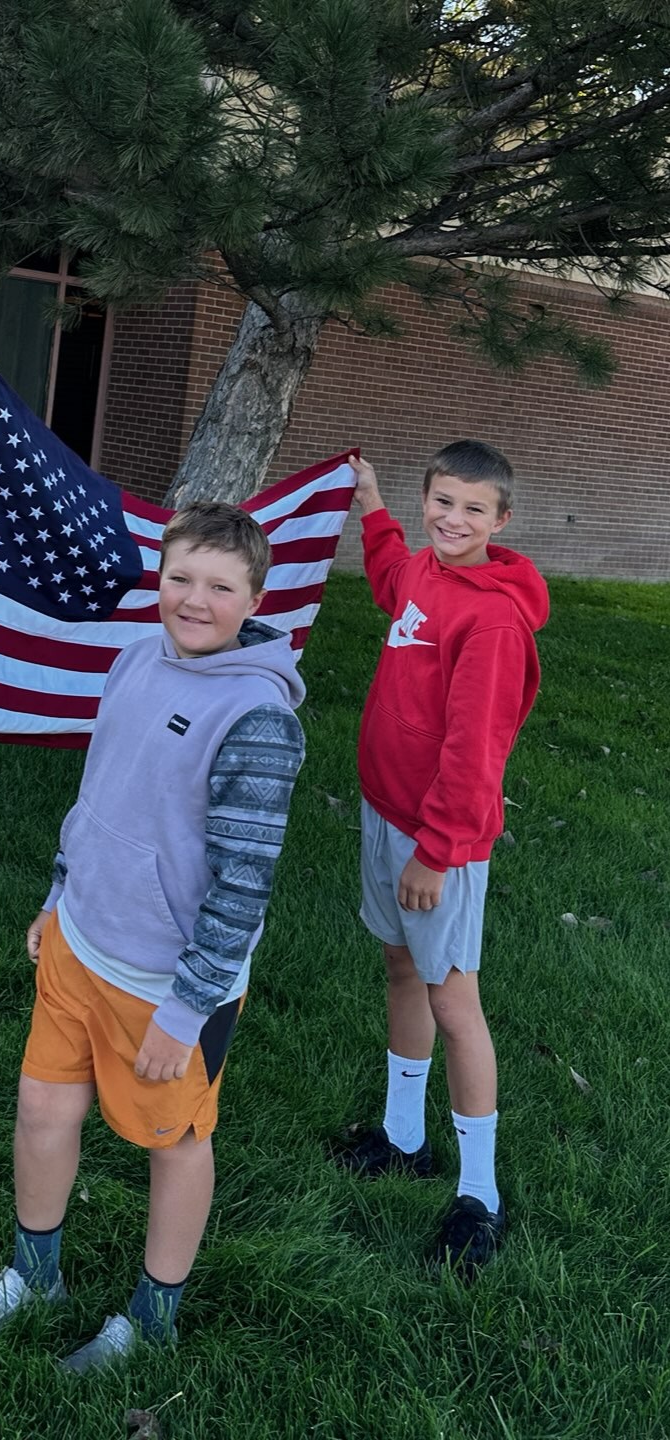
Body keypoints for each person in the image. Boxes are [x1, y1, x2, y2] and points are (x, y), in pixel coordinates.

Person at [0, 501, 305, 1371]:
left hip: (168, 984)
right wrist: (58, 892)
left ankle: (151, 1320)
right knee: (41, 1107)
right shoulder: (136, 659)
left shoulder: (258, 719)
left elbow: (244, 883)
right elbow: (101, 794)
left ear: (253, 595)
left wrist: (188, 1009)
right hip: (79, 943)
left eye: (219, 586)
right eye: (180, 577)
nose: (193, 599)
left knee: (175, 1143)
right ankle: (35, 1274)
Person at [337, 442, 549, 1277]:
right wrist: (374, 506)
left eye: (472, 509)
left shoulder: (492, 619)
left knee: (453, 997)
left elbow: (475, 752)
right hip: (386, 811)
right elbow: (394, 579)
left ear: (501, 521)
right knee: (401, 969)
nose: (451, 520)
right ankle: (403, 1137)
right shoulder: (424, 569)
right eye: (441, 502)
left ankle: (480, 1195)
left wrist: (434, 852)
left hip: (438, 840)